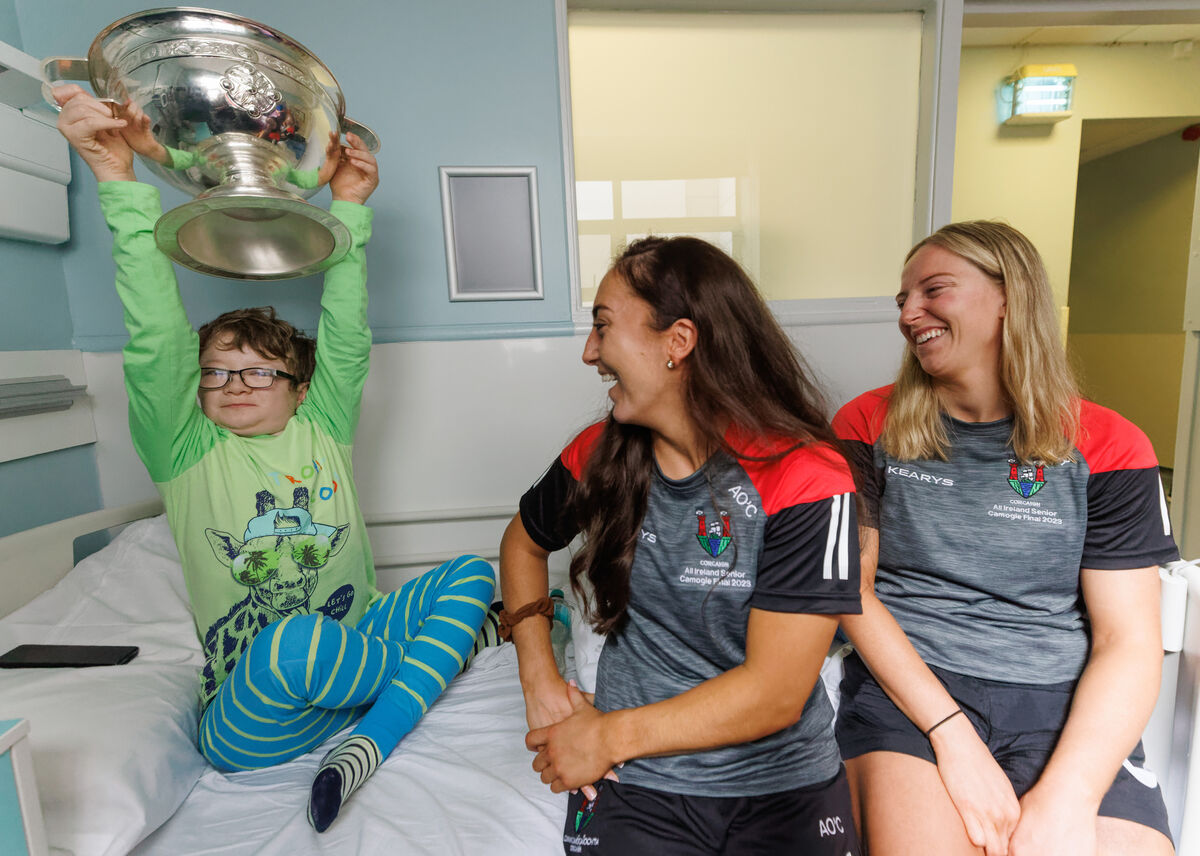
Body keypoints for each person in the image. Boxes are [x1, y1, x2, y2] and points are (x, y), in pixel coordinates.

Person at [53, 86, 497, 833]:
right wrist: (118, 181)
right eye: (217, 371)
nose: (234, 384)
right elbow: (156, 337)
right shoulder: (186, 450)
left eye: (260, 371)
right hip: (254, 716)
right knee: (292, 642)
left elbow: (346, 330)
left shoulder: (322, 428)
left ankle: (364, 742)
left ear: (299, 389)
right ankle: (436, 665)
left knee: (475, 570)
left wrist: (351, 203)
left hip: (353, 651)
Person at [500, 235, 863, 855]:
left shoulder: (809, 479)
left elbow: (774, 692)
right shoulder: (599, 455)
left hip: (781, 789)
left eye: (604, 327)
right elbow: (522, 544)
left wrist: (605, 737)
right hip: (642, 786)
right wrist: (538, 676)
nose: (591, 352)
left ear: (678, 342)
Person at [833, 220, 1177, 856]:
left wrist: (1066, 798)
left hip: (1061, 701)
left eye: (934, 290)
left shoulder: (1113, 445)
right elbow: (853, 593)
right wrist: (953, 738)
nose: (910, 314)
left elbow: (1126, 639)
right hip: (912, 691)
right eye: (902, 300)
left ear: (1010, 298)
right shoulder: (866, 425)